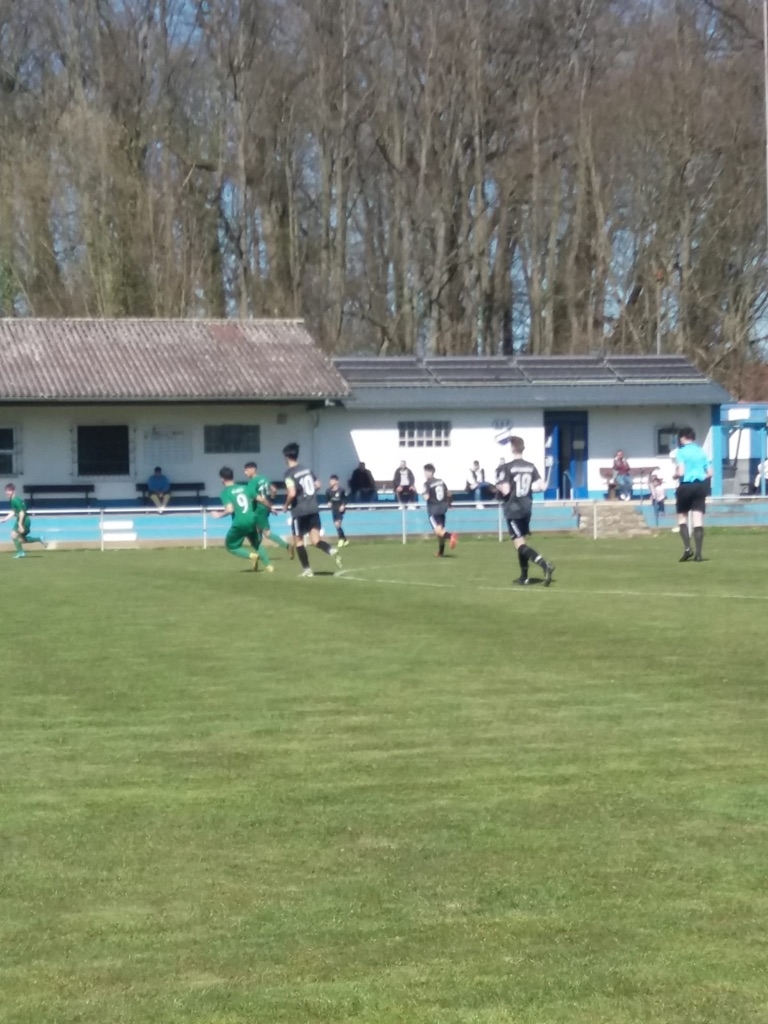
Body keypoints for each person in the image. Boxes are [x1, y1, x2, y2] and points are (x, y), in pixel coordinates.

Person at [496, 436, 554, 586]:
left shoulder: (508, 467)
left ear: (512, 448)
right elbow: (543, 487)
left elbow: (506, 490)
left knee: (519, 544)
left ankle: (544, 564)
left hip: (513, 508)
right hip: (527, 508)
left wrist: (498, 486)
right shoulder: (531, 466)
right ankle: (524, 576)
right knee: (521, 541)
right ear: (523, 448)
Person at [283, 442, 342, 577]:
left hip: (300, 511)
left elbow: (292, 493)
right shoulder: (306, 469)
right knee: (315, 540)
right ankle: (331, 550)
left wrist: (286, 505)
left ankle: (307, 570)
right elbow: (318, 484)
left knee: (298, 541)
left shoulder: (289, 473)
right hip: (313, 508)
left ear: (286, 457)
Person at [209, 467, 265, 571]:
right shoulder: (244, 487)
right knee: (256, 543)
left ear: (222, 479)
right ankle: (269, 566)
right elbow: (260, 499)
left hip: (239, 523)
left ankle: (251, 556)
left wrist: (219, 515)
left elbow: (230, 509)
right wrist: (270, 507)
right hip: (251, 519)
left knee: (230, 546)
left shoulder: (225, 492)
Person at [674, 427, 712, 562]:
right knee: (698, 519)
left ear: (682, 438)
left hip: (686, 486)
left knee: (682, 517)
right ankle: (699, 554)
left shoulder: (681, 452)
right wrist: (700, 477)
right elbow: (710, 472)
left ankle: (687, 548)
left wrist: (675, 475)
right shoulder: (701, 452)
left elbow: (681, 472)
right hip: (700, 486)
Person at [243, 461, 293, 561]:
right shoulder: (264, 478)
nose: (245, 473)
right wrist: (271, 501)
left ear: (253, 470)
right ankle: (260, 553)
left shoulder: (252, 482)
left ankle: (286, 546)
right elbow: (273, 490)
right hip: (265, 507)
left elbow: (252, 496)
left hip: (258, 508)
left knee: (266, 533)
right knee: (258, 530)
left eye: (247, 470)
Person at [2, 483, 46, 558]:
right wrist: (5, 519)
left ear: (13, 491)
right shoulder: (12, 500)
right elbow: (13, 511)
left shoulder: (15, 500)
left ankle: (21, 552)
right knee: (18, 538)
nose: (7, 492)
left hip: (24, 520)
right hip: (20, 519)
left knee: (17, 537)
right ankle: (38, 539)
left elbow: (22, 512)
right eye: (6, 491)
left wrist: (20, 524)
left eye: (9, 490)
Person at [423, 463, 457, 557]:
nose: (424, 474)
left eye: (425, 472)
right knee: (440, 532)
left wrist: (423, 494)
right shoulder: (441, 481)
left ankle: (451, 536)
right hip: (442, 508)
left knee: (438, 531)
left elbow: (426, 497)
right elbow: (448, 494)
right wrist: (449, 504)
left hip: (434, 510)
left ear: (429, 472)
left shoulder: (427, 483)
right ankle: (441, 552)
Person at [325, 474, 349, 546]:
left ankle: (340, 539)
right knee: (337, 525)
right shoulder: (328, 491)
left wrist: (343, 505)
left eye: (332, 481)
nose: (331, 482)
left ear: (336, 481)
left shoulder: (341, 490)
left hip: (340, 510)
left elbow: (345, 499)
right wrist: (328, 503)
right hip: (334, 510)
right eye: (330, 481)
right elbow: (327, 500)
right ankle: (345, 539)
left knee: (337, 524)